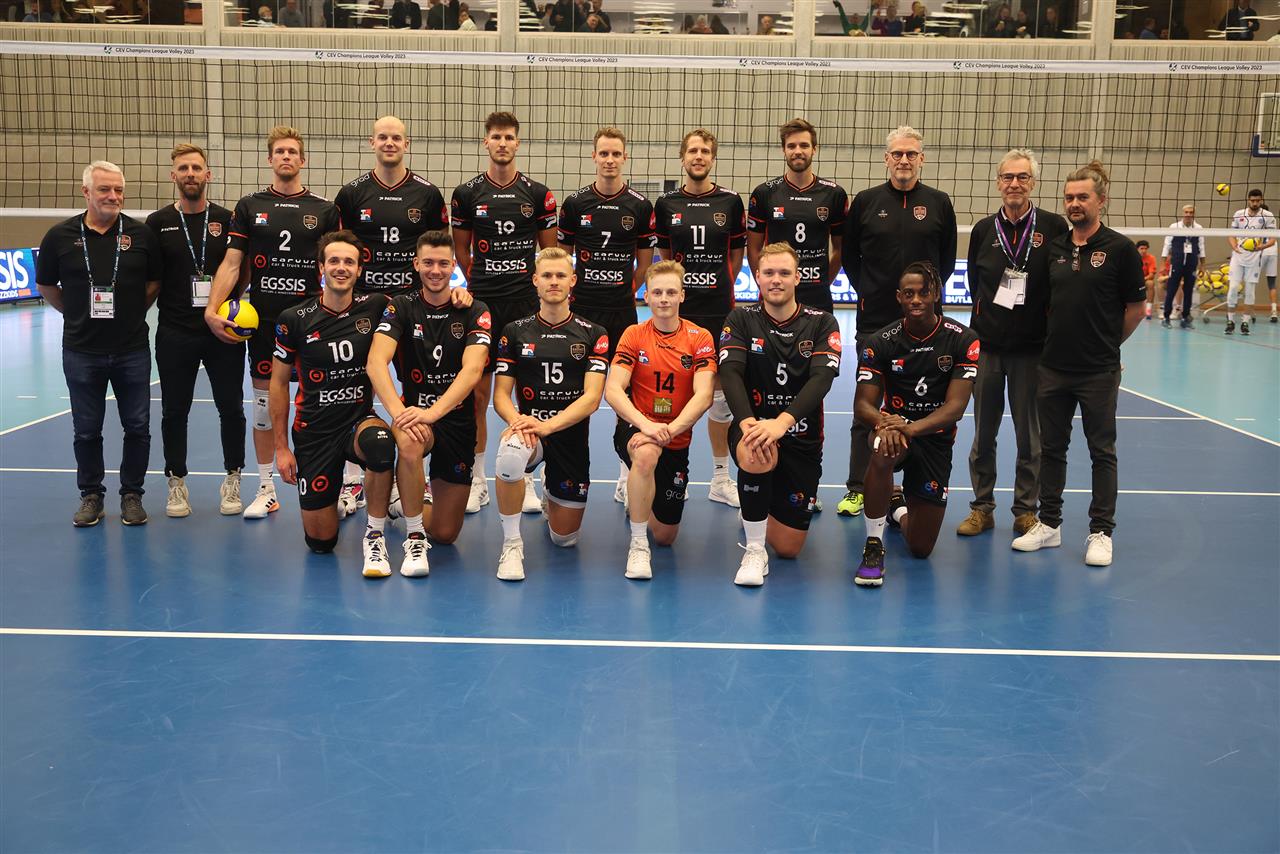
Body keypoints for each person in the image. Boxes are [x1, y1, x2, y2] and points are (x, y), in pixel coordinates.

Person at [1012, 162, 1145, 568]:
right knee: (1052, 449)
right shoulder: (1055, 248)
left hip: (1098, 371)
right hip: (1053, 368)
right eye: (1069, 197)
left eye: (1082, 197)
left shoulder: (1120, 249)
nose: (1074, 204)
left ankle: (1101, 532)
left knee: (1101, 452)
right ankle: (1050, 524)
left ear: (1101, 201)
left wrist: (1106, 345)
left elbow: (1136, 308)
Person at [205, 126, 340, 521]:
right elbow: (233, 263)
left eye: (292, 152)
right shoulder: (249, 206)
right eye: (279, 151)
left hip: (315, 323)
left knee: (331, 408)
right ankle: (266, 489)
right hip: (265, 324)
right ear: (270, 159)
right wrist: (212, 309)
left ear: (302, 160)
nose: (286, 157)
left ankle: (344, 486)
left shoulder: (325, 209)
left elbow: (337, 265)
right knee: (264, 410)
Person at [839, 125, 956, 518]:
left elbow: (946, 261)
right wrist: (871, 290)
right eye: (897, 154)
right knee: (867, 406)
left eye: (911, 154)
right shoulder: (866, 202)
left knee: (923, 404)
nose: (904, 160)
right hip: (875, 322)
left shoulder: (939, 203)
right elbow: (851, 257)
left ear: (922, 159)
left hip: (926, 327)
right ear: (886, 158)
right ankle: (858, 488)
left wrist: (922, 300)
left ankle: (913, 486)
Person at [36, 161, 161, 527]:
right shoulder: (59, 236)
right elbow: (46, 285)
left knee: (137, 426)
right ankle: (91, 495)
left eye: (119, 190)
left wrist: (132, 313)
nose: (113, 196)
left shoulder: (141, 235)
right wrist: (75, 314)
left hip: (131, 349)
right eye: (105, 189)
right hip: (81, 350)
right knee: (87, 429)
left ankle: (132, 495)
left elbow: (154, 282)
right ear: (86, 192)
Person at [959, 149, 1069, 540]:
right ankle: (982, 508)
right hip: (988, 349)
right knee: (983, 436)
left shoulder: (1054, 227)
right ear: (998, 183)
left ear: (1033, 183)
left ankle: (1025, 511)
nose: (1014, 184)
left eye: (1022, 177)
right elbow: (975, 284)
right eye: (1008, 177)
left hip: (1032, 351)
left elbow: (1060, 285)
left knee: (1030, 437)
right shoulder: (983, 230)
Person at [451, 112, 558, 515]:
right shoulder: (466, 194)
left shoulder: (538, 193)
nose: (502, 143)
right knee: (478, 395)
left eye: (509, 137)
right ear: (486, 142)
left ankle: (526, 475)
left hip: (525, 306)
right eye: (496, 136)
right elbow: (462, 249)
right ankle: (478, 479)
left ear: (517, 143)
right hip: (482, 305)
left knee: (527, 394)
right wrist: (478, 283)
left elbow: (550, 253)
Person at [271, 230, 395, 575]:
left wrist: (459, 293)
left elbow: (422, 303)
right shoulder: (294, 319)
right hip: (314, 432)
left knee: (381, 444)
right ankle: (335, 494)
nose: (342, 267)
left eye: (349, 262)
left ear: (359, 270)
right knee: (321, 542)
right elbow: (278, 384)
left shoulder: (377, 306)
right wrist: (281, 448)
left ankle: (375, 535)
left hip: (357, 421)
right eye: (334, 261)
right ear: (321, 268)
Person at [367, 231, 490, 576]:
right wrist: (401, 414)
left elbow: (473, 370)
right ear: (416, 264)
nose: (436, 270)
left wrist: (432, 413)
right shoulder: (401, 306)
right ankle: (414, 537)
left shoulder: (475, 310)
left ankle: (403, 505)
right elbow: (376, 363)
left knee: (446, 534)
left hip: (456, 421)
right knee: (409, 441)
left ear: (453, 267)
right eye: (429, 263)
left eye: (443, 264)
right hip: (414, 414)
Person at [718, 243, 841, 586]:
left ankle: (757, 503)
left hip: (801, 436)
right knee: (756, 450)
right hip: (753, 427)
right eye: (769, 272)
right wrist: (748, 424)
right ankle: (755, 549)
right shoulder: (740, 318)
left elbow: (821, 379)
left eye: (784, 273)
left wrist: (782, 423)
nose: (776, 279)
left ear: (797, 278)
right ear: (757, 276)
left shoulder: (822, 322)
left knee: (788, 547)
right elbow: (730, 373)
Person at [853, 263, 979, 587]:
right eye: (908, 294)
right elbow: (863, 405)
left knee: (921, 548)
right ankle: (873, 544)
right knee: (883, 448)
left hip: (934, 438)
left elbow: (955, 408)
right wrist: (886, 425)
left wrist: (908, 427)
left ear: (936, 293)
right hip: (894, 432)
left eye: (924, 293)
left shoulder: (963, 339)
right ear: (899, 297)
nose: (916, 300)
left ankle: (896, 507)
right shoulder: (880, 341)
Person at [491, 248, 608, 581]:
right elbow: (501, 395)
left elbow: (592, 399)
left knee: (564, 539)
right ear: (535, 281)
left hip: (569, 437)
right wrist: (517, 422)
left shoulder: (594, 332)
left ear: (573, 281)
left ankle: (550, 491)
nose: (553, 281)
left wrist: (547, 425)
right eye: (547, 275)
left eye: (560, 275)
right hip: (531, 434)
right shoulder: (515, 331)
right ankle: (512, 545)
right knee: (510, 452)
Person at [145, 144, 244, 519]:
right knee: (174, 410)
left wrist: (229, 307)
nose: (190, 174)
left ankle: (233, 476)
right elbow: (153, 278)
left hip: (222, 330)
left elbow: (240, 268)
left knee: (231, 407)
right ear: (174, 176)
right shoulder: (157, 223)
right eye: (183, 168)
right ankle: (176, 481)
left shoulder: (227, 219)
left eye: (196, 168)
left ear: (208, 175)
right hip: (175, 331)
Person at [557, 127, 655, 504]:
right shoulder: (575, 203)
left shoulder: (639, 206)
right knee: (572, 392)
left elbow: (643, 265)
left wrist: (623, 290)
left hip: (621, 312)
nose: (610, 160)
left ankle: (625, 474)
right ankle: (559, 468)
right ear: (594, 157)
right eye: (604, 153)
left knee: (626, 393)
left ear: (624, 158)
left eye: (616, 154)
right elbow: (562, 259)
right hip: (580, 312)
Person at [605, 261, 716, 580]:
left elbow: (704, 395)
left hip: (675, 436)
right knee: (646, 455)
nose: (664, 299)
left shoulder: (700, 337)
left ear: (682, 295)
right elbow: (613, 390)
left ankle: (640, 492)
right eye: (657, 292)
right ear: (646, 297)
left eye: (670, 292)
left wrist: (671, 429)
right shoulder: (634, 334)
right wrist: (646, 426)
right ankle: (638, 545)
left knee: (665, 536)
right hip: (637, 427)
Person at [654, 128, 746, 509]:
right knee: (671, 392)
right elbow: (664, 257)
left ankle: (720, 478)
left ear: (713, 157)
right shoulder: (665, 203)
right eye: (692, 150)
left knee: (720, 398)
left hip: (719, 310)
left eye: (705, 151)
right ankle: (662, 472)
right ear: (682, 157)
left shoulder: (731, 202)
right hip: (679, 312)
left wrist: (717, 284)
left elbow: (736, 257)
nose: (698, 156)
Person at [748, 118, 848, 316]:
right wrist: (767, 284)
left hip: (818, 295)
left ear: (814, 149)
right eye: (791, 146)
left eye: (804, 145)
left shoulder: (834, 194)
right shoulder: (764, 193)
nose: (798, 151)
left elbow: (840, 248)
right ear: (783, 150)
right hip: (776, 294)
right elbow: (753, 248)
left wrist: (823, 281)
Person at [1225, 189, 1277, 336]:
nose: (1255, 203)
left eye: (1258, 201)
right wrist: (1234, 246)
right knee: (1233, 288)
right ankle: (1230, 321)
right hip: (1238, 256)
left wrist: (1262, 247)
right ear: (1248, 200)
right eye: (1252, 200)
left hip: (1255, 257)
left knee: (1250, 290)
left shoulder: (1268, 216)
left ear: (1261, 200)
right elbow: (1231, 234)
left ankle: (1245, 322)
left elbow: (1273, 238)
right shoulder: (1239, 214)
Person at [1159, 204, 1205, 329]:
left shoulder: (1199, 228)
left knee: (1189, 291)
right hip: (1177, 263)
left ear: (1194, 214)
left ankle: (1185, 318)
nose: (1188, 214)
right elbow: (1166, 245)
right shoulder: (1174, 227)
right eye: (1186, 212)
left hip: (1191, 264)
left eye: (1191, 212)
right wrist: (1163, 263)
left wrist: (1202, 265)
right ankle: (1166, 317)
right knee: (1171, 289)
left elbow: (1201, 247)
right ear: (1182, 213)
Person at [1257, 196, 1277, 322]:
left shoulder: (1256, 222)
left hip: (1261, 251)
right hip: (1273, 251)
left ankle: (1249, 311)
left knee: (1250, 280)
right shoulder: (1272, 221)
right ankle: (1274, 312)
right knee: (1272, 283)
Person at [1136, 239, 1157, 319]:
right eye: (1142, 248)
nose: (1144, 251)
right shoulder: (1132, 257)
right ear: (1137, 249)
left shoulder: (1151, 258)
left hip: (1144, 280)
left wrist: (1142, 279)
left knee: (1150, 283)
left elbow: (1151, 275)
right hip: (1134, 280)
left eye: (1145, 249)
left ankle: (1148, 309)